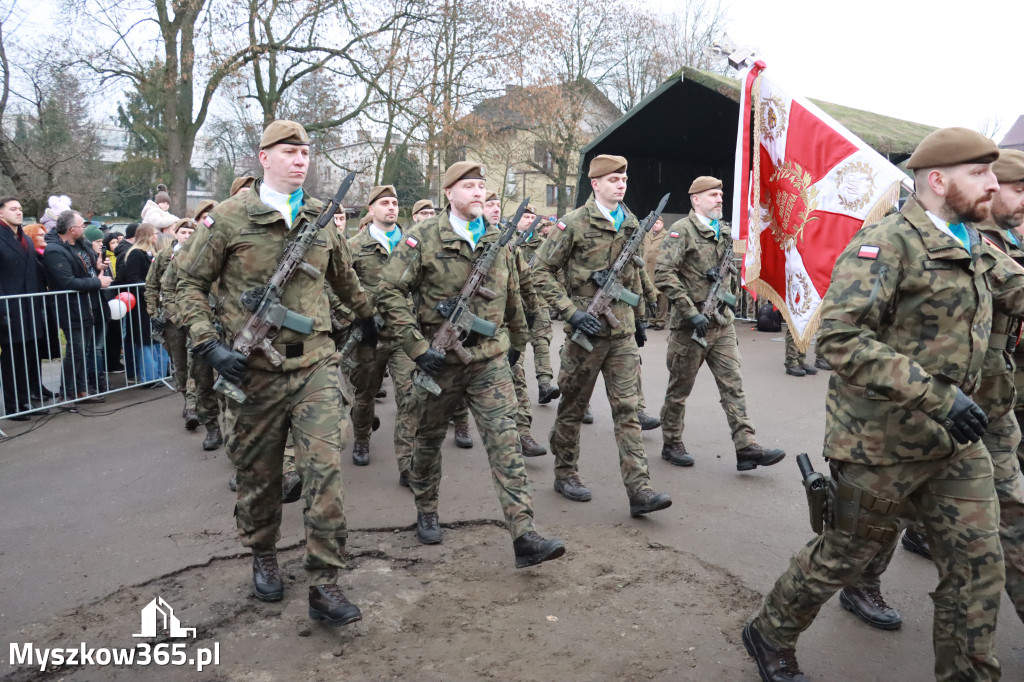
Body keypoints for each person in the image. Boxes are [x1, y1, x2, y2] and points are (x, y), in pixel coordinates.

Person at [742, 128, 1024, 682]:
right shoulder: (888, 243)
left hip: (955, 443)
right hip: (881, 442)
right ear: (938, 180)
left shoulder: (974, 245)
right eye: (980, 173)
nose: (994, 184)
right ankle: (770, 631)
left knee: (977, 570)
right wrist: (936, 395)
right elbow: (840, 337)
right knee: (843, 555)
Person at [176, 119, 378, 626]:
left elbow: (346, 281)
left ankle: (324, 582)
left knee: (325, 472)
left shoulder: (321, 220)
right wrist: (209, 346)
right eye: (288, 150)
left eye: (305, 151)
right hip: (253, 373)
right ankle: (263, 552)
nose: (300, 158)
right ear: (263, 157)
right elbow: (188, 285)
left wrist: (371, 319)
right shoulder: (228, 218)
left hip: (315, 364)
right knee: (260, 478)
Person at [376, 160, 565, 568]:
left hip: (488, 361)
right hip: (438, 361)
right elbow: (389, 292)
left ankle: (524, 534)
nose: (478, 192)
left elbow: (512, 294)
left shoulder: (500, 239)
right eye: (469, 186)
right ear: (449, 193)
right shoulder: (422, 237)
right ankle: (426, 509)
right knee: (426, 441)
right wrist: (415, 346)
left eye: (482, 186)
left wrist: (517, 341)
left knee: (506, 444)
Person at [532, 154, 672, 517]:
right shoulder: (573, 224)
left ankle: (639, 489)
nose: (620, 183)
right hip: (586, 332)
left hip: (621, 333)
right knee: (573, 407)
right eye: (612, 179)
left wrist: (639, 315)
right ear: (595, 184)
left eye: (623, 178)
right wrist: (571, 312)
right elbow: (540, 271)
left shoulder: (631, 223)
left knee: (627, 410)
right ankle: (565, 472)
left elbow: (635, 274)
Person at [655, 175, 785, 471]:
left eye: (720, 195)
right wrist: (690, 312)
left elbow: (728, 274)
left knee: (733, 385)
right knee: (679, 388)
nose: (719, 199)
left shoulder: (723, 232)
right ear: (696, 200)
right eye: (713, 195)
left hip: (721, 325)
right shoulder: (681, 231)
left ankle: (746, 446)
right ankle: (671, 441)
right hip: (691, 327)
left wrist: (730, 298)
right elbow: (664, 273)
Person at [345, 185, 417, 482]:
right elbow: (335, 288)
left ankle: (407, 461)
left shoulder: (413, 244)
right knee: (364, 397)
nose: (391, 207)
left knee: (411, 396)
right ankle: (362, 437)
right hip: (369, 336)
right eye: (384, 203)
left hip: (403, 334)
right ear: (370, 209)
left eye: (395, 203)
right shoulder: (353, 246)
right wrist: (360, 317)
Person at [42, 210, 112, 407]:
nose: (85, 229)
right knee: (76, 351)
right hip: (71, 307)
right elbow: (67, 282)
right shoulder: (54, 250)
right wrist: (97, 282)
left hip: (90, 305)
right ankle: (67, 393)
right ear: (72, 230)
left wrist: (98, 266)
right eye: (82, 226)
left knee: (84, 350)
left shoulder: (83, 245)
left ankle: (81, 390)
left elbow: (88, 270)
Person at [503, 201, 547, 457]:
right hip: (463, 330)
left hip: (505, 327)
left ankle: (524, 434)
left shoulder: (510, 247)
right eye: (490, 204)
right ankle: (460, 421)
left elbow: (527, 283)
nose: (495, 208)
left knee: (517, 378)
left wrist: (532, 313)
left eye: (497, 204)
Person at [0, 198, 49, 420]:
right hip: (9, 309)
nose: (19, 212)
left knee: (29, 355)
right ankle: (13, 406)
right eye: (13, 209)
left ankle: (26, 400)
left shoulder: (26, 240)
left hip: (29, 307)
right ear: (1, 214)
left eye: (20, 209)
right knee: (12, 358)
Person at [516, 204, 559, 405]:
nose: (527, 220)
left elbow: (554, 272)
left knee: (541, 342)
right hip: (514, 304)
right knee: (516, 348)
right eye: (524, 216)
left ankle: (544, 384)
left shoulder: (543, 245)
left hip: (538, 301)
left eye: (530, 217)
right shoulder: (509, 244)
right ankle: (517, 390)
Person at [114, 224, 167, 382]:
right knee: (146, 340)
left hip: (152, 302)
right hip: (142, 305)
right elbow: (133, 278)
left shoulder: (150, 253)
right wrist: (151, 288)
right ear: (148, 235)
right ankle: (150, 376)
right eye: (155, 234)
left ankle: (159, 374)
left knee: (156, 337)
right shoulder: (136, 254)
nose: (157, 237)